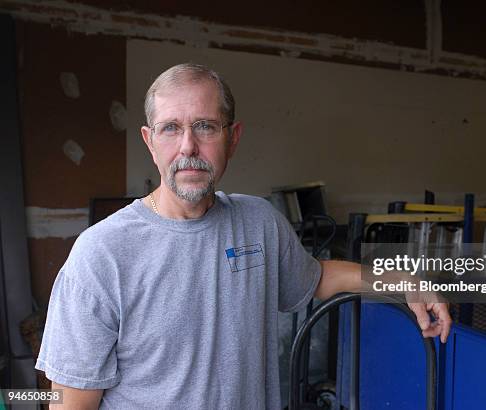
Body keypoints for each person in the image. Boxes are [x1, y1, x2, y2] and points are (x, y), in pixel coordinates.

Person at [35, 63, 451, 409]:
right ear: (149, 141)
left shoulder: (259, 221)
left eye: (205, 127)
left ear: (232, 138)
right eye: (170, 129)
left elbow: (316, 277)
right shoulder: (102, 253)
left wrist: (403, 281)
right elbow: (72, 402)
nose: (188, 147)